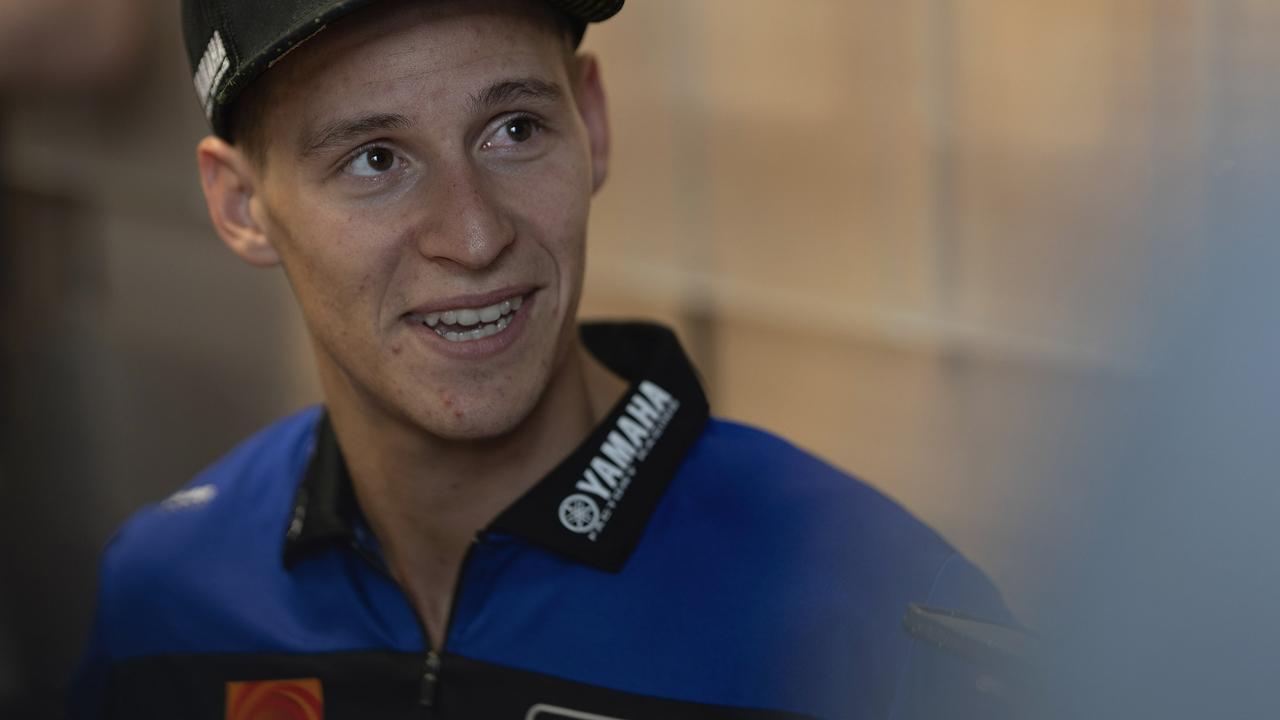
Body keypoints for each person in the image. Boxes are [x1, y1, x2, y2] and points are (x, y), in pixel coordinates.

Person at [75, 0, 1021, 717]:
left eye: (515, 130)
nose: (474, 234)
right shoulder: (169, 593)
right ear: (242, 206)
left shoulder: (872, 613)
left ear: (592, 123)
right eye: (373, 159)